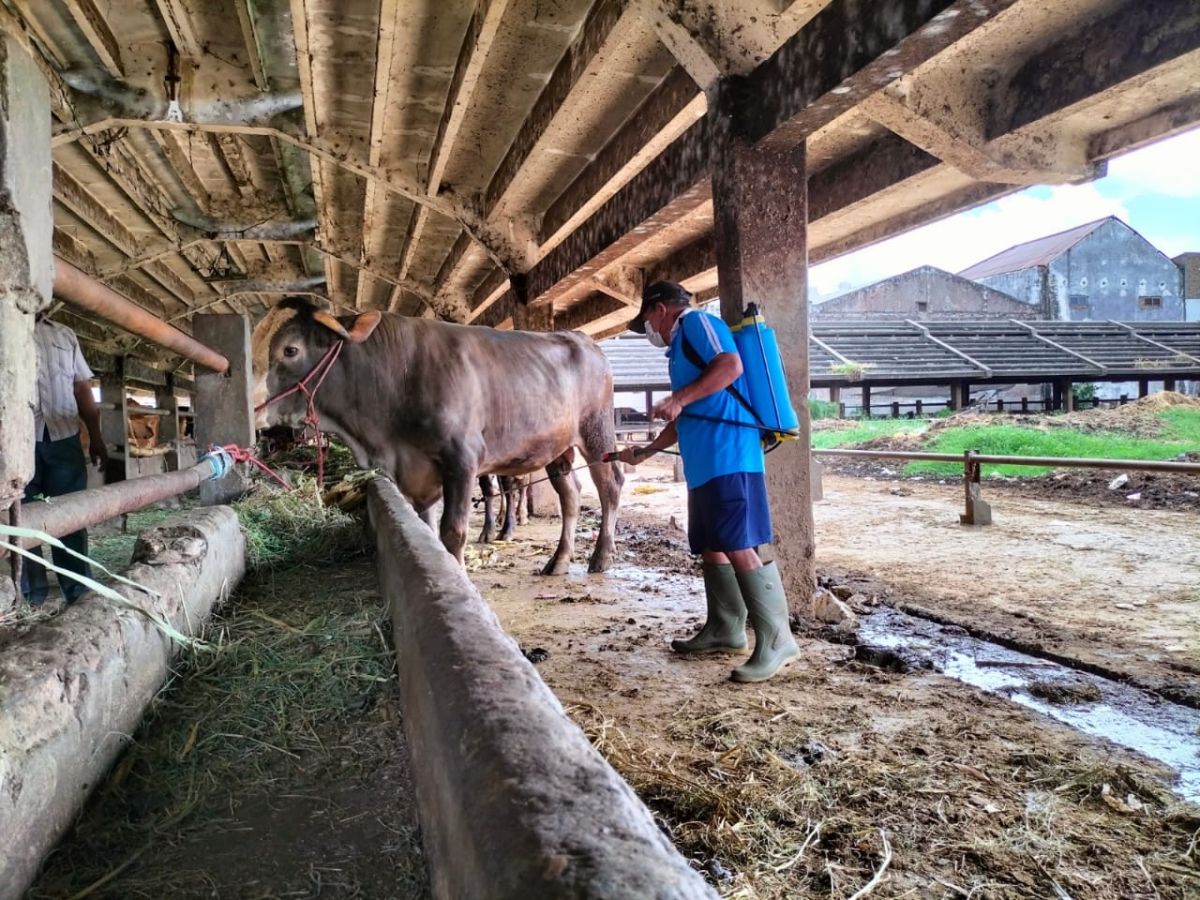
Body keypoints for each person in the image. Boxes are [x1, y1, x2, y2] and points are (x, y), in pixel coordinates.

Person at [616, 282, 799, 683]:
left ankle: (777, 640)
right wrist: (645, 452)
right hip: (704, 464)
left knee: (737, 544)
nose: (647, 328)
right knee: (711, 544)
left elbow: (731, 366)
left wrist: (679, 398)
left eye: (646, 319)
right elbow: (687, 415)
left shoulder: (698, 322)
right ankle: (725, 629)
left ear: (660, 309)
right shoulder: (679, 351)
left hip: (730, 455)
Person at [23, 315, 107, 604]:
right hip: (18, 441)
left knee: (70, 515)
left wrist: (96, 437)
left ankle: (78, 590)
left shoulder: (64, 334)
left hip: (65, 438)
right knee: (20, 517)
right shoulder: (6, 324)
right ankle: (30, 596)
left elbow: (82, 388)